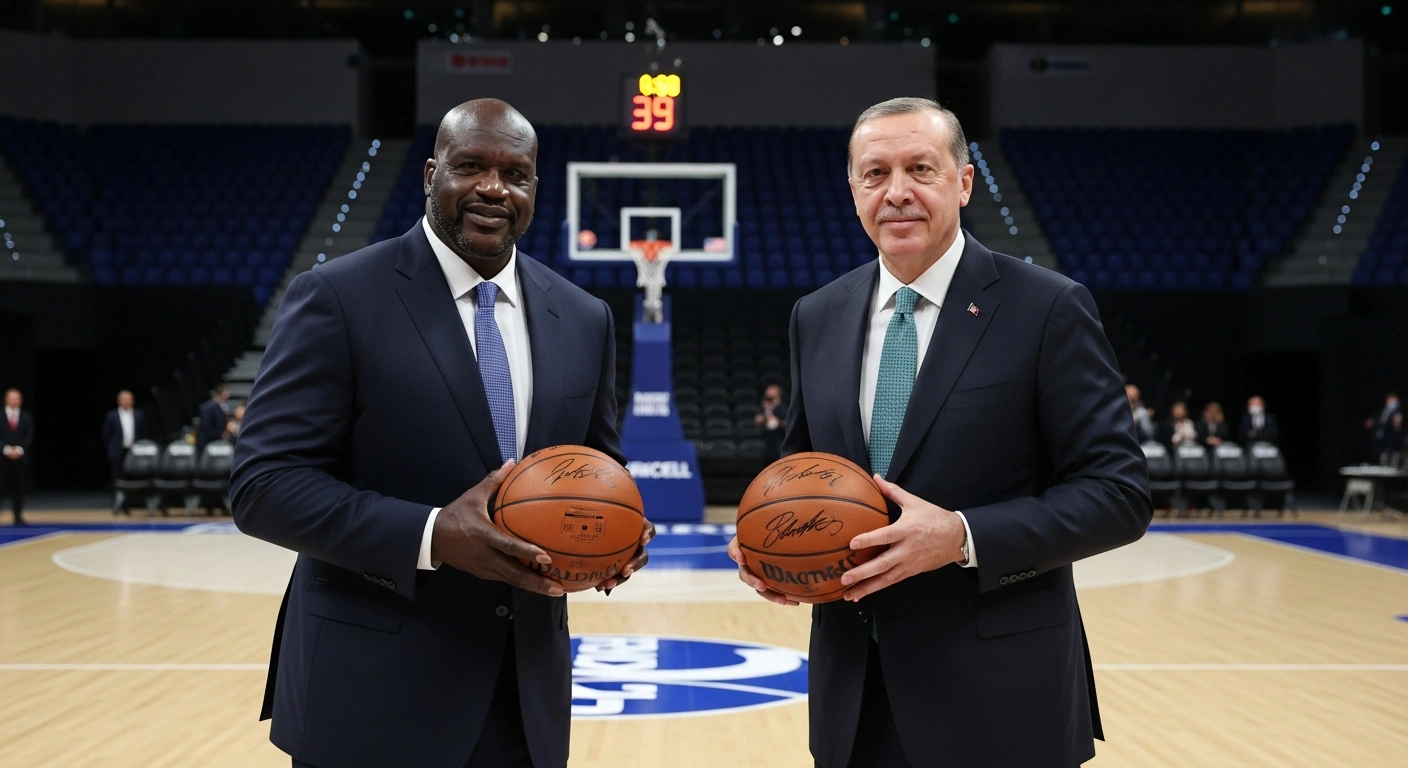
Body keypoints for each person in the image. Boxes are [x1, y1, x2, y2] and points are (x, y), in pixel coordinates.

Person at [728, 98, 1151, 768]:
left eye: (919, 168)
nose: (896, 192)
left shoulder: (1046, 308)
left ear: (963, 181)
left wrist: (961, 537)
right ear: (853, 189)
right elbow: (806, 472)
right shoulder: (817, 314)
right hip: (853, 699)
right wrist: (778, 547)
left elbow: (1119, 494)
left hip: (1002, 702)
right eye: (875, 174)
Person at [230, 99, 652, 768]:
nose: (492, 187)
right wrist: (433, 536)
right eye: (469, 166)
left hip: (524, 698)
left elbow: (594, 466)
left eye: (515, 173)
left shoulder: (584, 316)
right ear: (431, 174)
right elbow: (263, 486)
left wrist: (614, 532)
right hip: (370, 695)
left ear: (535, 190)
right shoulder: (337, 297)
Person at [101, 390, 148, 513]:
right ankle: (117, 503)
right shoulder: (111, 415)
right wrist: (112, 448)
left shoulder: (139, 414)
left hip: (134, 451)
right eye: (125, 399)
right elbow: (106, 434)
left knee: (133, 478)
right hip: (117, 451)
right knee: (117, 478)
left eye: (129, 399)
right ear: (119, 401)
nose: (127, 401)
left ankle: (132, 503)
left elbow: (143, 433)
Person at [1, 389, 33, 526]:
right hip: (2, 457)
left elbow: (29, 435)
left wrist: (19, 449)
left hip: (20, 458)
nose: (15, 401)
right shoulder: (0, 415)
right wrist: (6, 449)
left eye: (18, 398)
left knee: (18, 488)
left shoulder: (26, 416)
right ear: (6, 399)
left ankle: (18, 516)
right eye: (12, 398)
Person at [754, 383, 786, 461]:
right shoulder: (766, 407)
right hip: (768, 442)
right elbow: (759, 420)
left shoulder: (782, 408)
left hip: (779, 442)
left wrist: (777, 422)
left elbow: (787, 423)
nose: (768, 392)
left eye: (771, 390)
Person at [1366, 392, 1400, 459]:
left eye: (1394, 400)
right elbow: (1377, 418)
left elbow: (1398, 424)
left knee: (1387, 449)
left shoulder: (1397, 412)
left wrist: (1397, 425)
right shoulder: (1382, 410)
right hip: (1378, 431)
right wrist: (1371, 421)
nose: (1392, 402)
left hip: (1389, 434)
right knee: (1376, 447)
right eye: (1390, 400)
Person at [197, 385, 231, 449]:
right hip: (208, 442)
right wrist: (220, 434)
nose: (227, 397)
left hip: (215, 440)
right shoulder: (209, 407)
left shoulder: (221, 407)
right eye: (225, 394)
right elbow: (205, 426)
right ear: (219, 394)